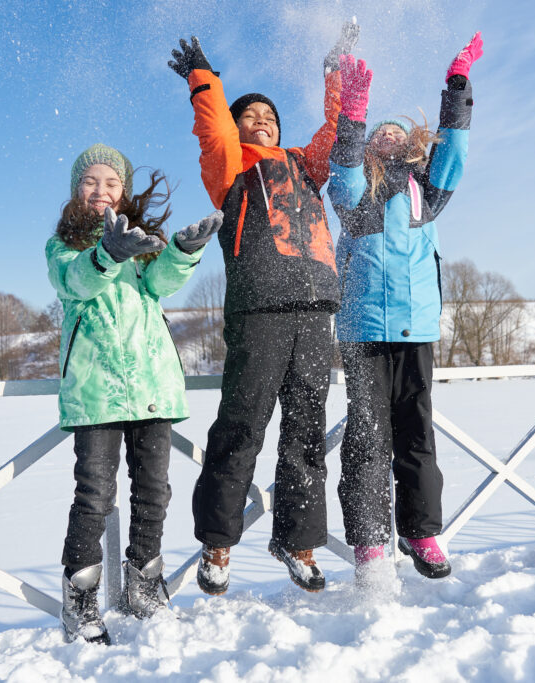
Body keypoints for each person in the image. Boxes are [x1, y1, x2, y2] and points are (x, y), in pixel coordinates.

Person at [167, 25, 357, 594]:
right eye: (251, 116)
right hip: (260, 310)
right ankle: (218, 545)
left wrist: (336, 70)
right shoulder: (231, 169)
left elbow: (338, 129)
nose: (263, 122)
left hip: (314, 311)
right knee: (242, 426)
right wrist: (206, 82)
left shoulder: (304, 165)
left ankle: (299, 543)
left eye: (270, 117)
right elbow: (217, 131)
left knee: (304, 432)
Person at [47, 143, 222, 644]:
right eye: (90, 182)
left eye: (111, 183)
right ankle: (80, 600)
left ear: (122, 192)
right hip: (96, 390)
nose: (100, 191)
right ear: (77, 190)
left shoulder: (141, 241)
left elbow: (161, 283)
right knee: (94, 496)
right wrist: (105, 254)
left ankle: (144, 584)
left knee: (153, 492)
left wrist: (183, 252)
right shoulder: (61, 245)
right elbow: (77, 283)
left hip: (151, 384)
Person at [327, 34, 483, 584]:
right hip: (363, 327)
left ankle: (420, 531)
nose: (386, 134)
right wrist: (353, 111)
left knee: (417, 433)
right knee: (368, 435)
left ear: (410, 143)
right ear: (370, 146)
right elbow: (341, 170)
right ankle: (370, 544)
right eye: (378, 132)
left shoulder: (426, 189)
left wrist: (458, 84)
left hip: (415, 325)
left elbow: (455, 152)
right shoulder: (355, 191)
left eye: (395, 129)